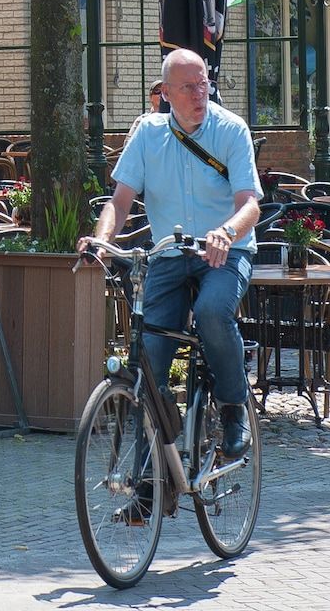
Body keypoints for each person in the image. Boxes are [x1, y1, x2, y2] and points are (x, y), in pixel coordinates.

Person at [79, 48, 261, 462]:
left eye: (204, 85)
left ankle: (233, 407)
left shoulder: (231, 129)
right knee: (149, 355)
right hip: (169, 256)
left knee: (213, 311)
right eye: (188, 88)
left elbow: (250, 204)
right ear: (165, 93)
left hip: (224, 254)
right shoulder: (148, 134)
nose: (200, 95)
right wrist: (101, 241)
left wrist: (226, 232)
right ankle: (148, 474)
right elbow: (120, 201)